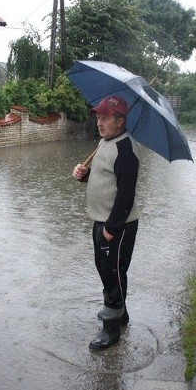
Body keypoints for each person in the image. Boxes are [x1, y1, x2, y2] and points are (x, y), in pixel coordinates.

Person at [72, 96, 140, 351]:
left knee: (112, 272)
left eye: (105, 118)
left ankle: (111, 328)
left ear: (120, 121)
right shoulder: (105, 142)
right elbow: (103, 178)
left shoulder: (126, 150)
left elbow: (125, 193)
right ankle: (121, 314)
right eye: (98, 117)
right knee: (107, 269)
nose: (99, 123)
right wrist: (83, 175)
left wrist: (112, 227)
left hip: (117, 225)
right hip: (101, 220)